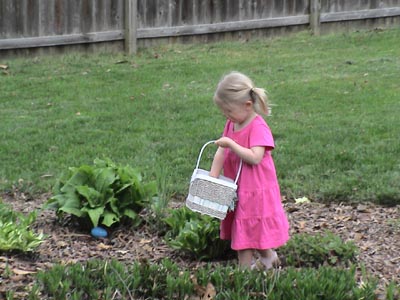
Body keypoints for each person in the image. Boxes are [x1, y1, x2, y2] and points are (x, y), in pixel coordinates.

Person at [209, 71, 290, 269]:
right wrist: (213, 177)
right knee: (246, 223)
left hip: (256, 188)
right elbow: (221, 151)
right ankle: (269, 258)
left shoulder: (258, 127)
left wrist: (232, 144)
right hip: (238, 187)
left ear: (247, 105)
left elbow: (255, 157)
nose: (227, 116)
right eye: (224, 113)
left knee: (246, 226)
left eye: (229, 111)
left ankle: (244, 274)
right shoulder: (232, 123)